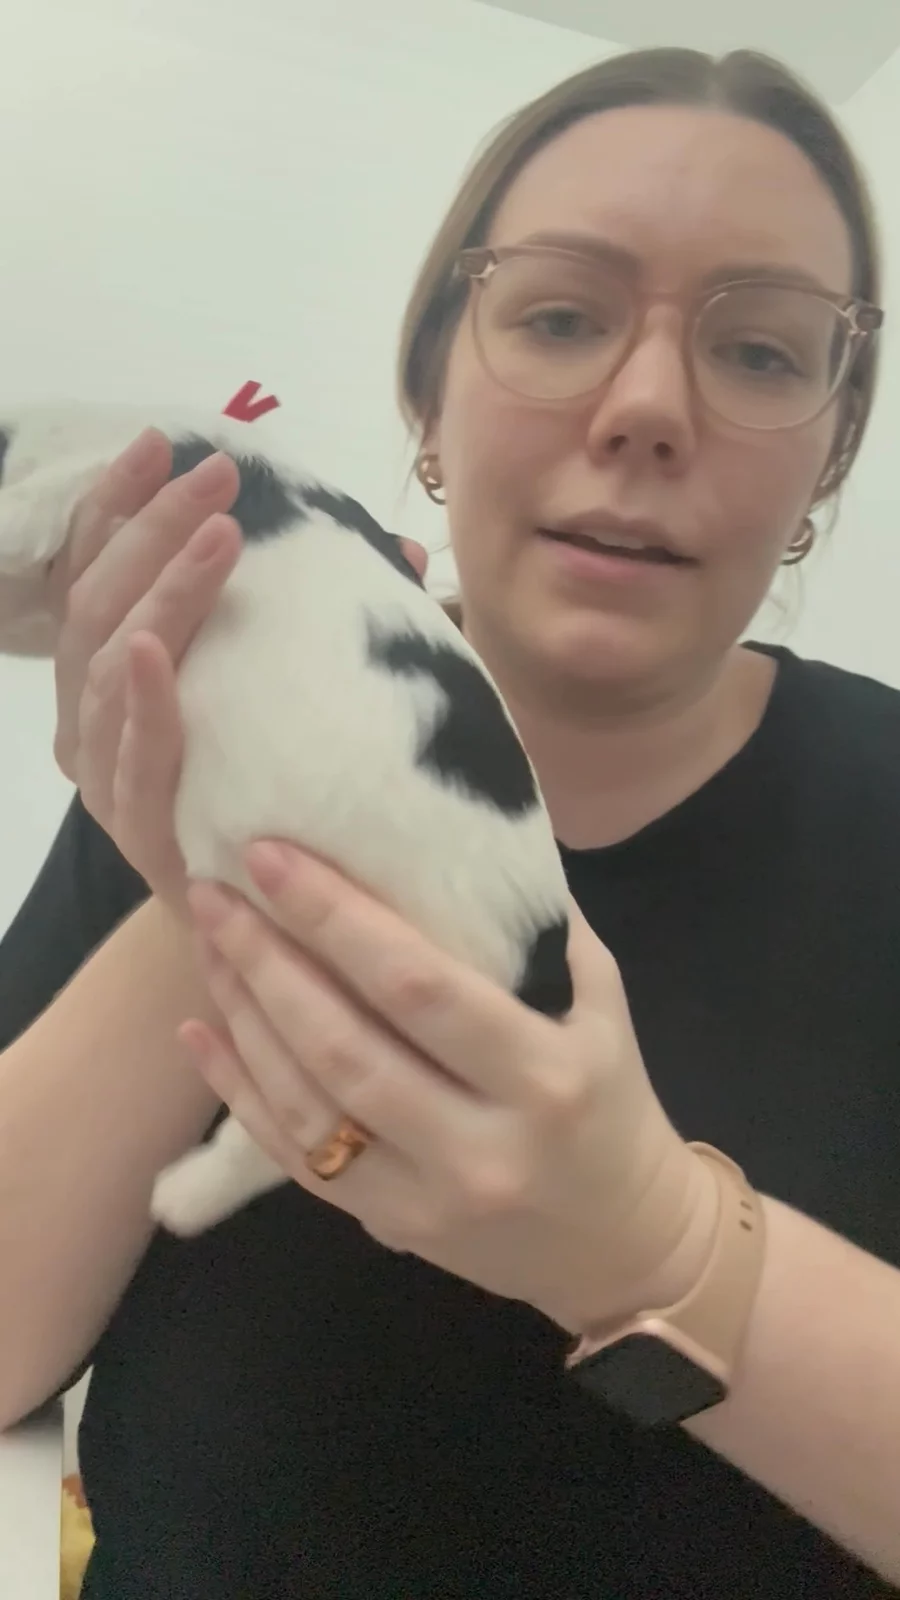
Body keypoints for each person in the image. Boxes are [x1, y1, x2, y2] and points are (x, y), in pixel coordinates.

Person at [0, 42, 899, 1599]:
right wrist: (229, 879)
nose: (646, 408)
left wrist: (655, 1247)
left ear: (830, 450)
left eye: (760, 351)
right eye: (561, 317)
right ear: (429, 393)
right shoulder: (182, 736)